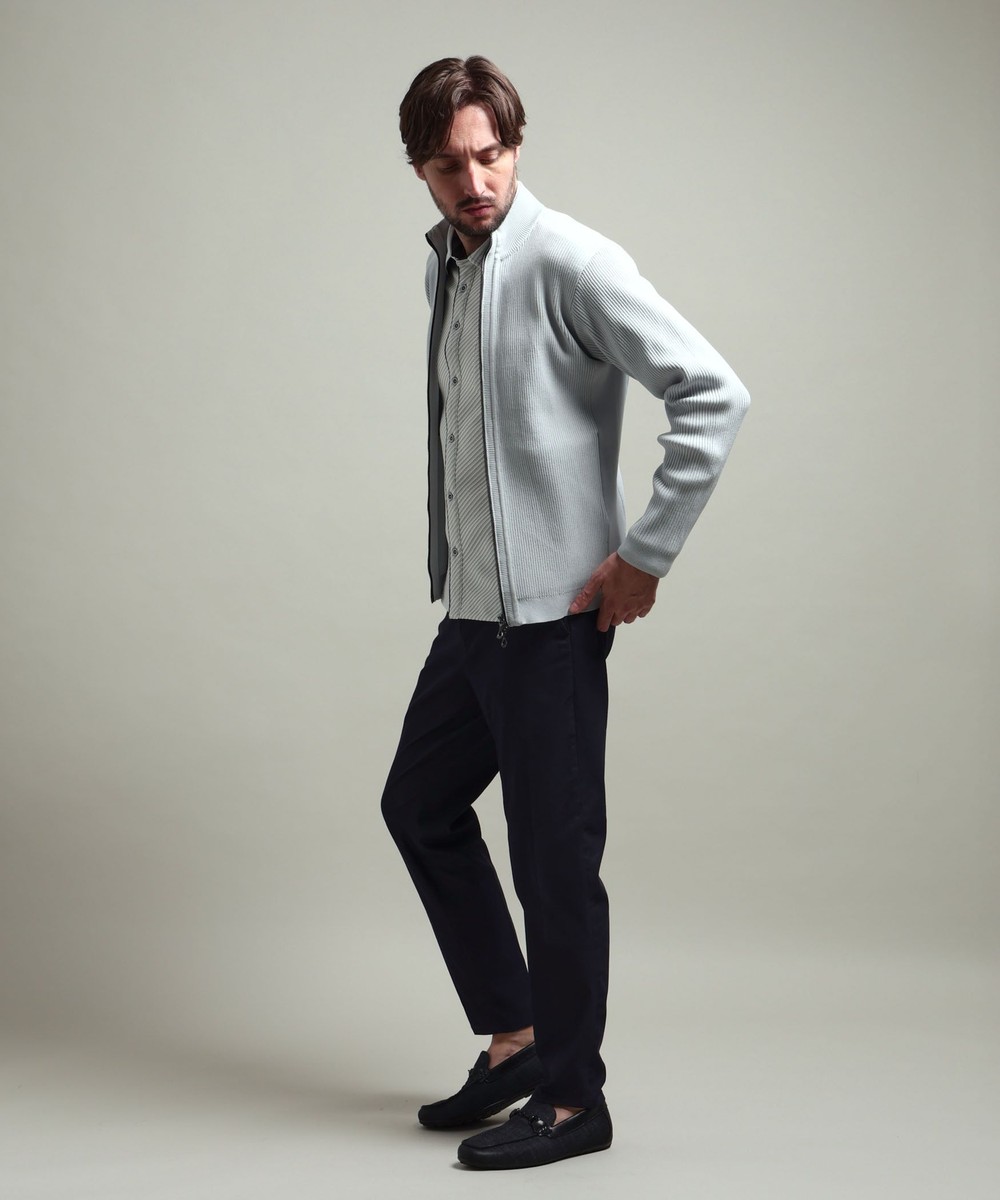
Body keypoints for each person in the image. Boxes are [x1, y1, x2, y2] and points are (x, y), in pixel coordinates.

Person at [380, 55, 750, 1171]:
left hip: (550, 624)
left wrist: (645, 554)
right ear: (419, 170)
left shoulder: (571, 261)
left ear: (516, 146)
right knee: (419, 807)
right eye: (448, 165)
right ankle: (518, 1039)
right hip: (474, 618)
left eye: (490, 156)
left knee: (553, 859)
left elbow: (712, 391)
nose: (474, 182)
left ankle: (575, 1100)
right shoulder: (448, 266)